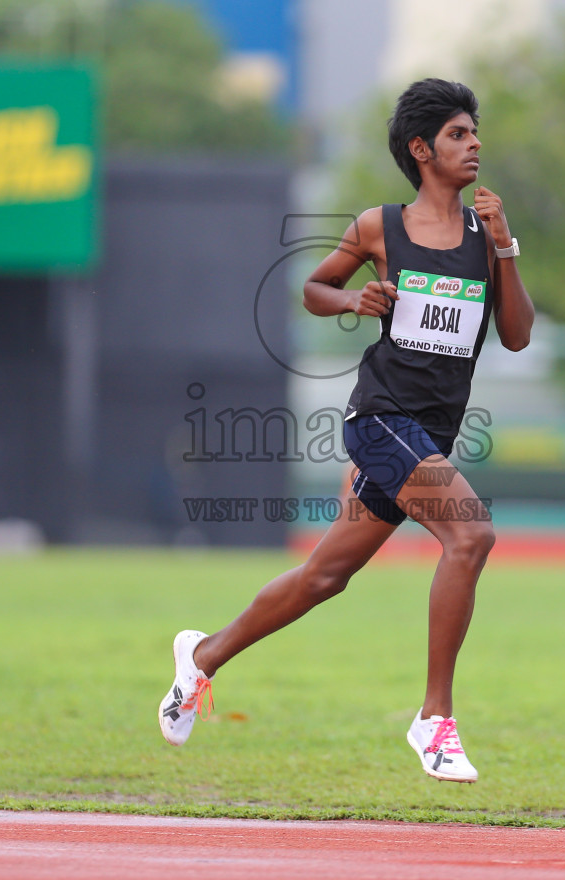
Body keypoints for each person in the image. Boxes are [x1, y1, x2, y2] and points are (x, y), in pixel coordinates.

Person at [159, 79, 535, 782]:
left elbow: (515, 335)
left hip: (430, 437)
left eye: (475, 130)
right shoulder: (378, 227)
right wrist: (355, 301)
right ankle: (434, 720)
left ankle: (201, 657)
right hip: (380, 421)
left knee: (325, 576)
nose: (475, 142)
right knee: (471, 532)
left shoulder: (488, 235)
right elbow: (312, 288)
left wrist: (508, 250)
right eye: (458, 133)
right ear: (421, 150)